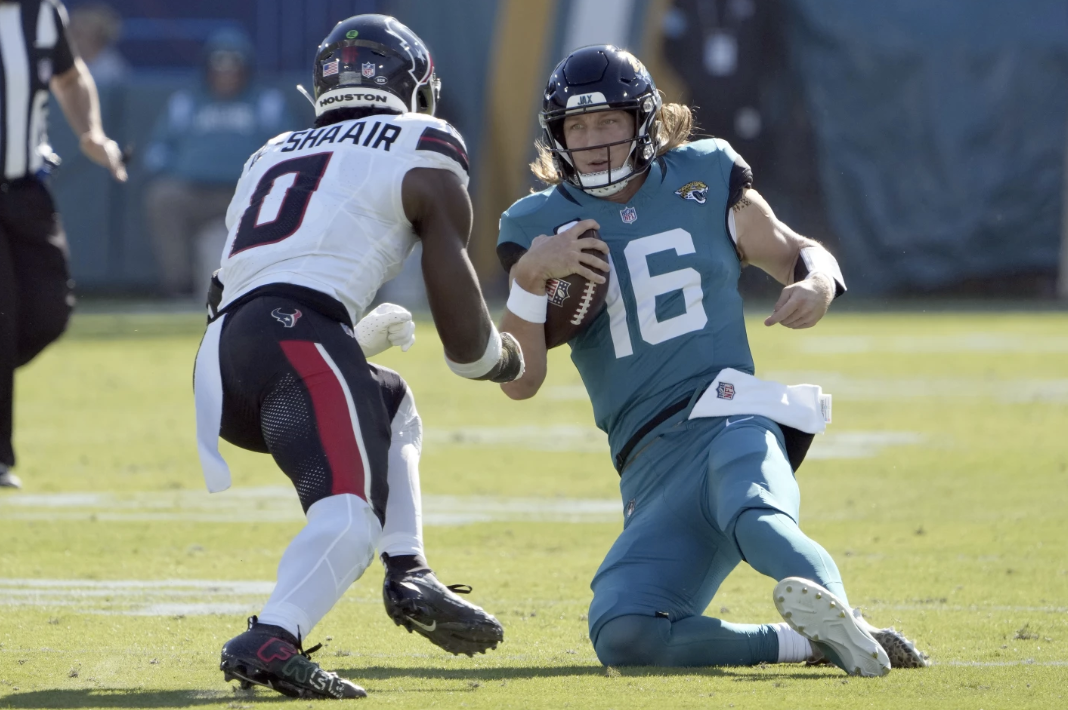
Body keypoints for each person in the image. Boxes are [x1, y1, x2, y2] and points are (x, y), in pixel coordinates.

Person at [495, 45, 928, 676]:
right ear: (557, 136)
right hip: (648, 461)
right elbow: (521, 382)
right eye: (576, 127)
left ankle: (844, 616)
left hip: (729, 411)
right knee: (624, 635)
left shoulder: (704, 174)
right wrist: (531, 277)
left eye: (609, 121)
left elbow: (796, 251)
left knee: (754, 515)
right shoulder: (535, 223)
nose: (592, 140)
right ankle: (811, 641)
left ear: (642, 122)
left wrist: (818, 282)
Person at [193, 15, 524, 699]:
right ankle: (272, 636)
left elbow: (239, 287)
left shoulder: (272, 151)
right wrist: (503, 359)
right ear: (416, 88)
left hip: (220, 358)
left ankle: (410, 572)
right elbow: (465, 348)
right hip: (297, 333)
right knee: (347, 516)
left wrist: (345, 345)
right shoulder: (424, 137)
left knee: (391, 399)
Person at [0, 0, 127, 490]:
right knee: (3, 314)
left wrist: (91, 133)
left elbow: (70, 78)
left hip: (27, 187)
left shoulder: (42, 14)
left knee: (49, 311)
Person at [144, 28, 291, 299]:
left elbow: (288, 153)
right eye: (219, 68)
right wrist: (178, 168)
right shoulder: (185, 102)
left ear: (245, 68)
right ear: (207, 69)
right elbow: (157, 150)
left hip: (248, 194)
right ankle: (178, 284)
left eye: (233, 68)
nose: (226, 75)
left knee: (282, 197)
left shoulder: (267, 102)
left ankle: (274, 284)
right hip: (194, 192)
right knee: (163, 196)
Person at [67, 2, 128, 86]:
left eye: (85, 22)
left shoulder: (112, 69)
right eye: (73, 26)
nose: (78, 27)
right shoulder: (65, 63)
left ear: (98, 32)